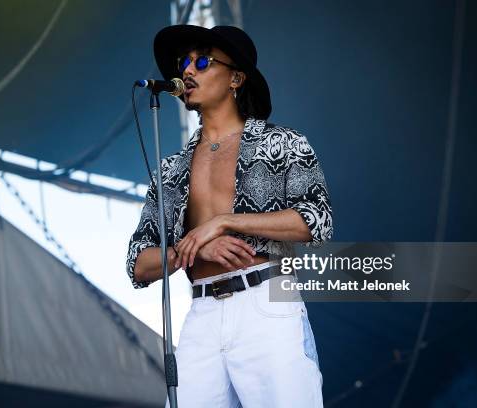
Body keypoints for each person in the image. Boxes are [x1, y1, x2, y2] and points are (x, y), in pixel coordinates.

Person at [126, 24, 333, 408]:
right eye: (182, 63)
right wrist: (194, 250)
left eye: (202, 61)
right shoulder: (170, 171)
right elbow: (138, 264)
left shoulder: (282, 143)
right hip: (202, 313)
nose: (187, 71)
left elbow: (316, 220)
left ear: (236, 78)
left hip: (267, 303)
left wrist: (223, 222)